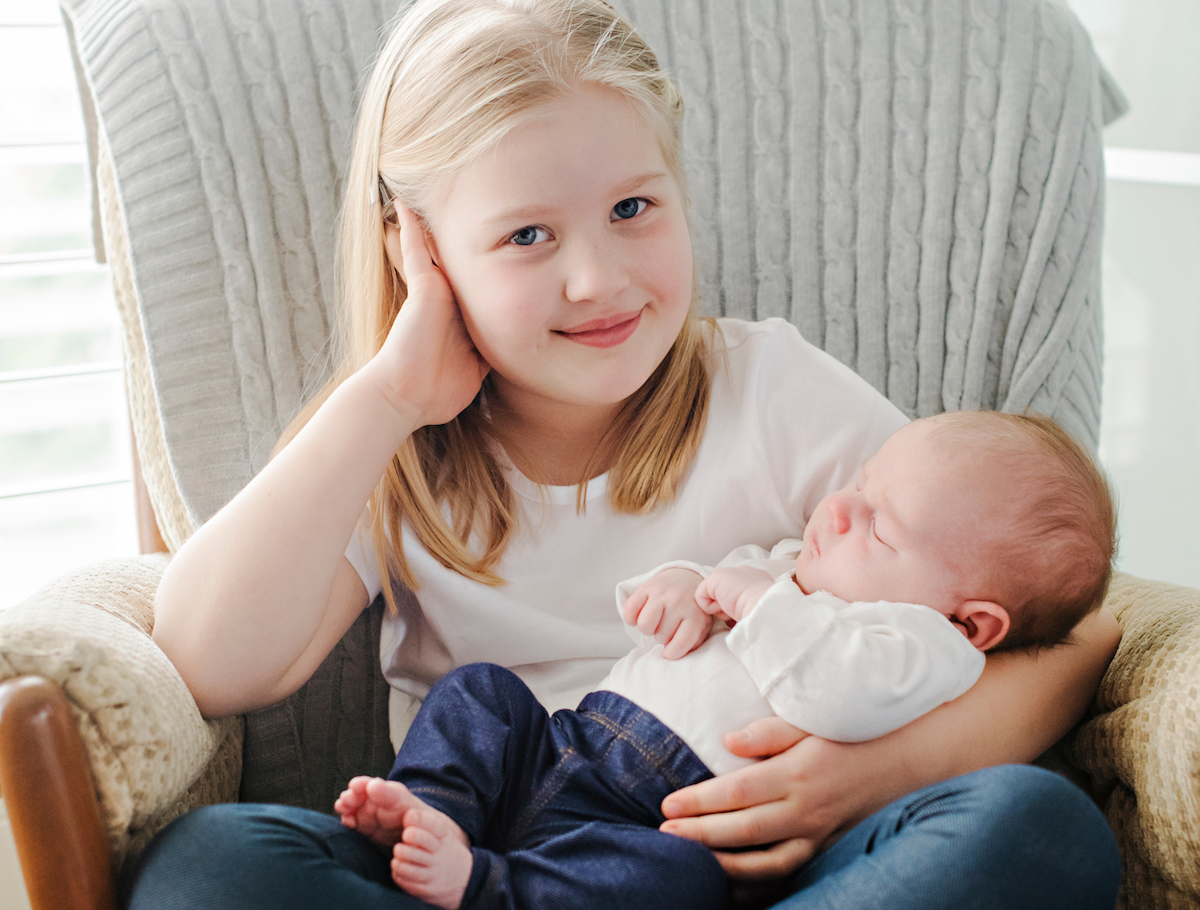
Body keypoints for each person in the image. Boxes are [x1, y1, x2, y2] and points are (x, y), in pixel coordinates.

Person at [128, 1, 1124, 908]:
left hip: (744, 863)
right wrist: (388, 396)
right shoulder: (396, 444)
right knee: (209, 864)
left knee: (1040, 831)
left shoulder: (770, 387)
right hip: (479, 859)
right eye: (526, 235)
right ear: (419, 252)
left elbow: (1071, 637)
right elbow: (208, 662)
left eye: (633, 209)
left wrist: (870, 775)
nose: (597, 278)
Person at [333, 410, 1117, 910]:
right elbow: (698, 598)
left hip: (659, 820)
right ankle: (431, 810)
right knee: (481, 692)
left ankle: (486, 889)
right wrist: (678, 590)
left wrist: (756, 601)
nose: (838, 510)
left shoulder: (922, 645)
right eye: (858, 486)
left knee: (677, 883)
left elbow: (838, 694)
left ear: (972, 620)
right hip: (570, 743)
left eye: (880, 528)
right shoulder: (794, 567)